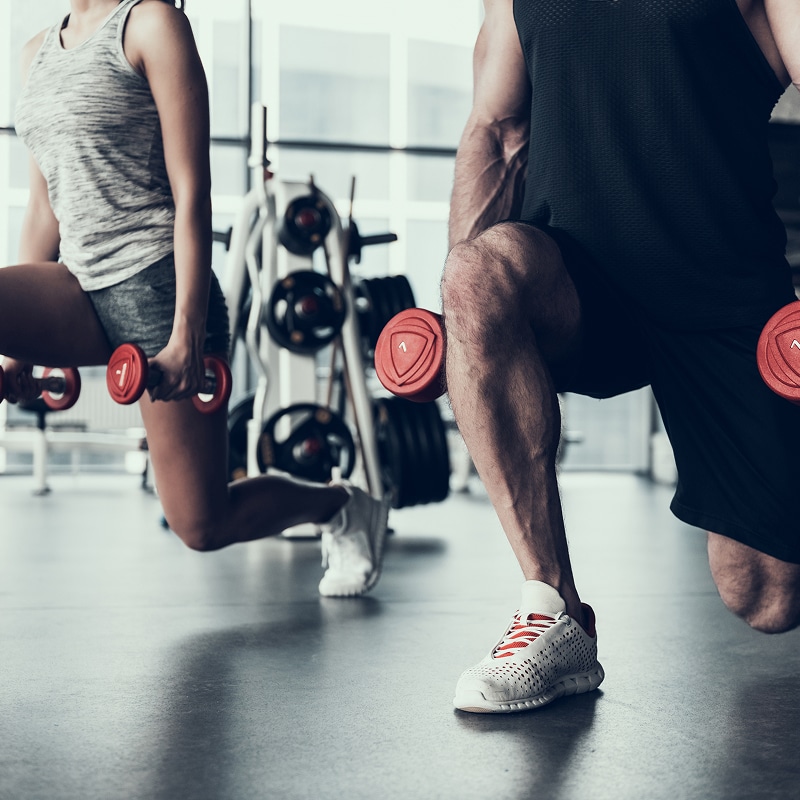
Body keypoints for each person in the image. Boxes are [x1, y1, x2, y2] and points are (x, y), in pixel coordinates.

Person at [445, 0, 800, 713]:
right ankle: (554, 611)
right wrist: (459, 319)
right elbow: (499, 130)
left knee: (764, 593)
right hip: (577, 281)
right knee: (475, 276)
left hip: (723, 293)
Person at [3, 0, 389, 598]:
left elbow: (192, 193)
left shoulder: (150, 25)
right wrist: (15, 353)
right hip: (77, 283)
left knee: (202, 524)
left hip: (156, 287)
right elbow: (42, 210)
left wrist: (188, 330)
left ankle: (342, 506)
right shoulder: (35, 54)